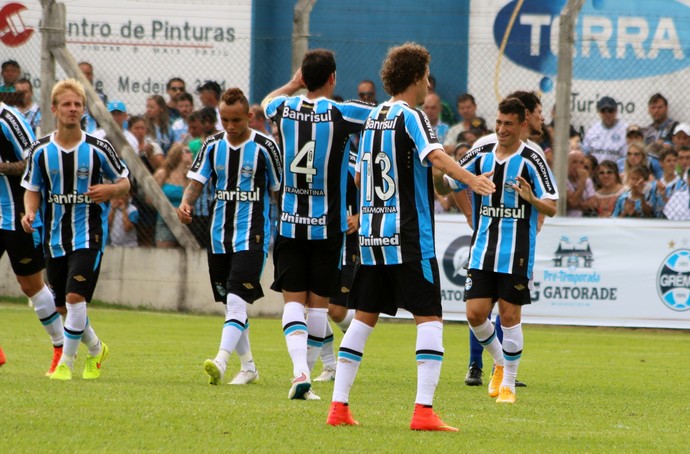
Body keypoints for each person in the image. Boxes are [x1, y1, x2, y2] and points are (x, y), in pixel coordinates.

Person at [326, 42, 495, 431]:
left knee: (363, 320)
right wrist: (472, 181)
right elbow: (435, 156)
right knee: (430, 319)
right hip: (409, 237)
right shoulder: (412, 116)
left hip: (371, 239)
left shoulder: (373, 119)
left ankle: (339, 407)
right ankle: (423, 412)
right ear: (417, 78)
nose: (428, 83)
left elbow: (361, 176)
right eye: (426, 76)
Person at [263, 49, 375, 401]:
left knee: (293, 304)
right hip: (328, 228)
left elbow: (267, 102)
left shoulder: (284, 110)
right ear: (332, 79)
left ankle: (300, 373)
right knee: (318, 306)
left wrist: (293, 84)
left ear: (302, 77)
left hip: (290, 224)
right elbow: (381, 117)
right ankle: (304, 374)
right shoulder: (342, 112)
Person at [21, 78, 130, 380]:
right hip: (54, 238)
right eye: (67, 104)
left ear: (83, 110)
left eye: (77, 105)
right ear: (54, 109)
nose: (72, 109)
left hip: (89, 235)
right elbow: (32, 187)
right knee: (63, 306)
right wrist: (29, 212)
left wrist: (109, 191)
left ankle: (66, 364)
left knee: (74, 298)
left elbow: (125, 182)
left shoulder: (98, 148)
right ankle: (96, 349)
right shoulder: (40, 150)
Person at [452, 97, 557, 404]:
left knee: (509, 316)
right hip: (483, 248)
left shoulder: (532, 159)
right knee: (475, 314)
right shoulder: (481, 152)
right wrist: (457, 185)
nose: (501, 129)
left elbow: (551, 206)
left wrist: (531, 198)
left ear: (522, 125)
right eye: (498, 122)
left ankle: (508, 385)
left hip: (516, 250)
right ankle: (499, 361)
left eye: (508, 124)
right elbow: (449, 181)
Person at [179, 87, 282, 386]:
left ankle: (221, 362)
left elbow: (278, 191)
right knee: (231, 306)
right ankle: (249, 367)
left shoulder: (265, 146)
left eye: (237, 120)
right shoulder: (211, 145)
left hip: (253, 237)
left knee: (237, 300)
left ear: (249, 116)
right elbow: (195, 184)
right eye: (225, 120)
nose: (231, 126)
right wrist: (185, 203)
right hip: (219, 238)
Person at [1, 99, 65, 375]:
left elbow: (34, 158)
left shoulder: (8, 119)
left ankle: (62, 345)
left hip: (16, 216)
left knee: (31, 286)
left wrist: (2, 167)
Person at [152, 144, 191, 248]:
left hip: (183, 221)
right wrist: (167, 208)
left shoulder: (188, 178)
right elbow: (150, 198)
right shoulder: (163, 174)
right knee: (164, 252)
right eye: (187, 151)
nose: (191, 154)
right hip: (165, 218)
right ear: (179, 155)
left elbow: (191, 201)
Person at [582, 96, 628, 164]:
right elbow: (585, 152)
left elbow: (627, 156)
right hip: (595, 171)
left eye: (610, 111)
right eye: (603, 111)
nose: (607, 114)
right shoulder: (593, 130)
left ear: (616, 111)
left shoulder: (625, 129)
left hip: (617, 171)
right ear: (599, 112)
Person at [646, 149, 685, 218]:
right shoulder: (654, 186)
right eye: (668, 161)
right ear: (661, 163)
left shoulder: (683, 186)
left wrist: (664, 197)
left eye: (674, 161)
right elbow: (648, 211)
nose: (672, 163)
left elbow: (680, 210)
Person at [78, 61, 107, 133]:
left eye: (88, 74)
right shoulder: (67, 96)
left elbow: (102, 117)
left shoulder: (101, 97)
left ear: (92, 76)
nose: (86, 77)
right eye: (83, 73)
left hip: (95, 134)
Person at [566, 150, 596, 217]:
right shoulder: (562, 181)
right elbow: (573, 202)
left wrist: (577, 205)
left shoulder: (588, 180)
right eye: (574, 162)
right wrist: (581, 181)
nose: (578, 166)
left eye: (581, 163)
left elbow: (593, 204)